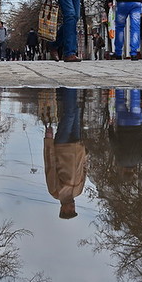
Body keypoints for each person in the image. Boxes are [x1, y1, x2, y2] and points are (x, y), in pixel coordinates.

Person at [43, 88, 87, 219]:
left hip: (62, 145)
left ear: (62, 209)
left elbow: (49, 165)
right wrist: (85, 154)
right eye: (73, 210)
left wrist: (48, 140)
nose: (72, 208)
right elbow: (84, 170)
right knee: (76, 111)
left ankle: (69, 86)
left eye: (69, 211)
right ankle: (62, 89)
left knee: (70, 115)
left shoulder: (55, 191)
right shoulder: (78, 192)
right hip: (77, 145)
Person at [109, 88, 142, 174]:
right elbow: (114, 143)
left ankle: (135, 87)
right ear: (123, 171)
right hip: (122, 123)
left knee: (135, 100)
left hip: (136, 123)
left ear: (133, 171)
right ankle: (119, 86)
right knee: (120, 99)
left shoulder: (140, 159)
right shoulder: (120, 159)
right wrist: (110, 127)